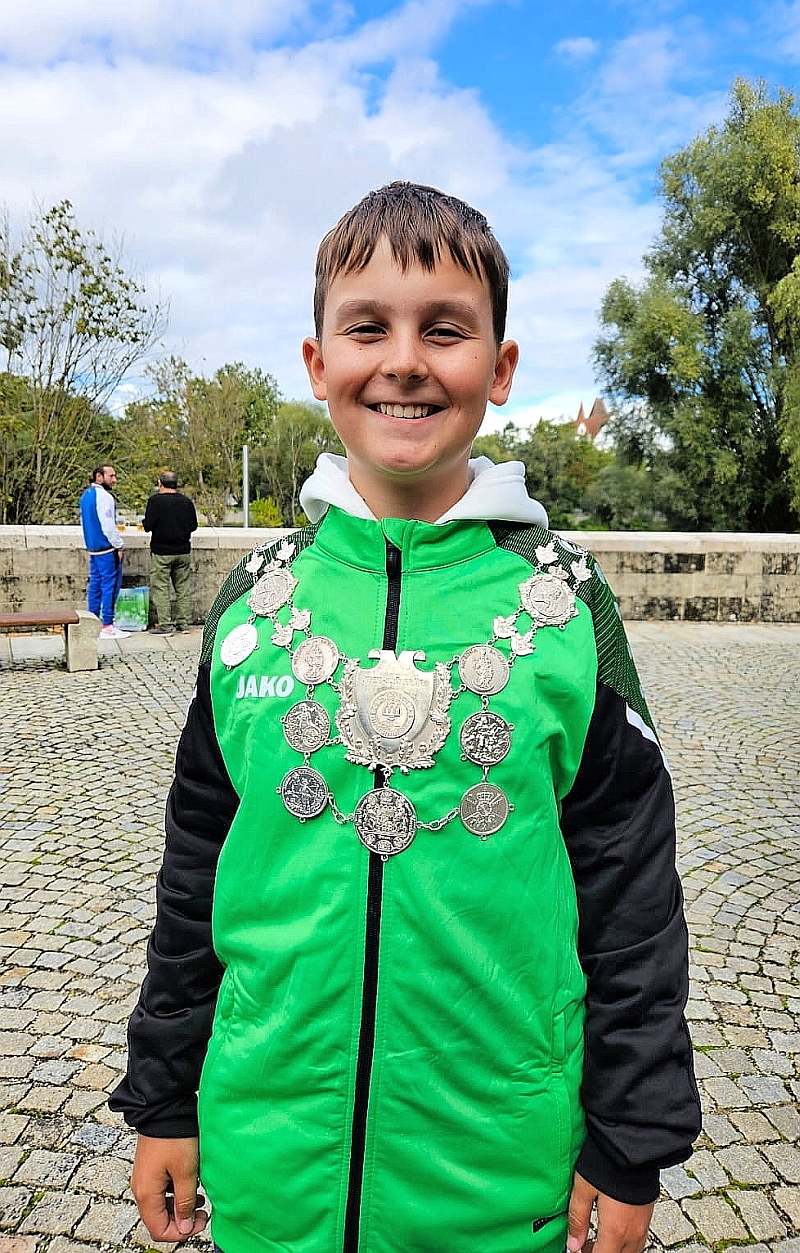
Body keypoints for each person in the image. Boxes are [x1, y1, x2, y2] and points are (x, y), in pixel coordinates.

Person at [110, 183, 701, 1253]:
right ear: (316, 361)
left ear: (500, 366)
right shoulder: (251, 605)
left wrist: (629, 1140)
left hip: (499, 1172)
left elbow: (631, 894)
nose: (404, 360)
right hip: (269, 1162)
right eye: (367, 326)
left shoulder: (569, 607)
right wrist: (164, 1094)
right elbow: (195, 869)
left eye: (444, 329)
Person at [143, 471, 198, 634]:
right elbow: (193, 526)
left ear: (160, 483)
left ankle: (166, 625)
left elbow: (148, 525)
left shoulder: (155, 501)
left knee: (161, 588)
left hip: (162, 552)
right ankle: (184, 623)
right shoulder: (187, 502)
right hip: (183, 551)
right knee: (183, 589)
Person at [79, 462, 128, 639]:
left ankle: (92, 621)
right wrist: (119, 545)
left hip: (93, 548)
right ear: (99, 477)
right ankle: (107, 624)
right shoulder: (105, 497)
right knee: (109, 586)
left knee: (95, 586)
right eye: (111, 476)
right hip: (106, 548)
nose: (114, 480)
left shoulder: (85, 496)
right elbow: (108, 526)